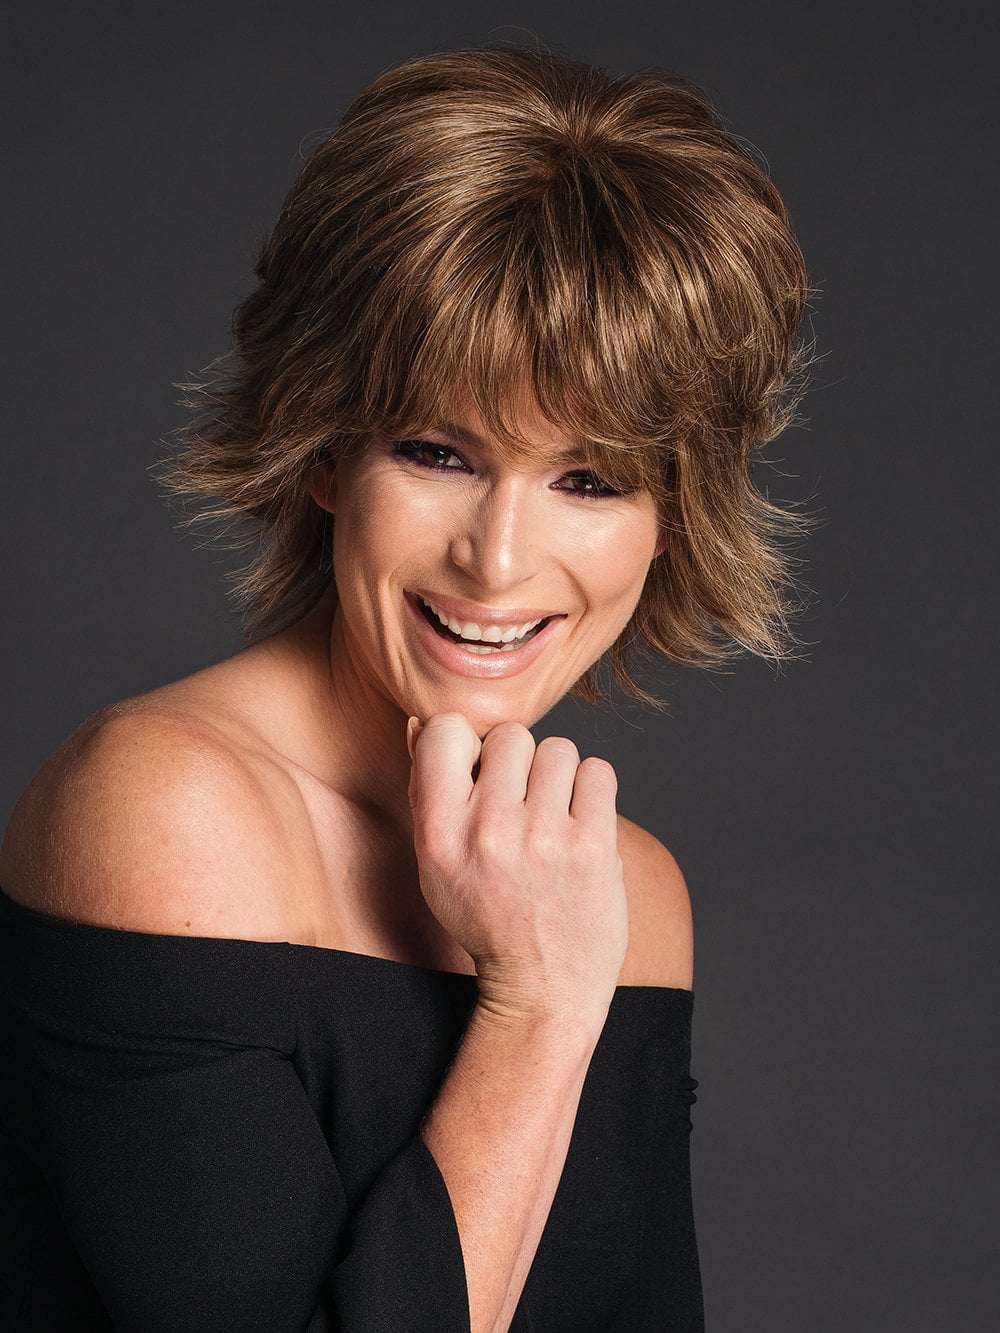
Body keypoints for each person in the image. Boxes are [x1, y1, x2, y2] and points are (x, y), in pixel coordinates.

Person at [0, 43, 811, 1332]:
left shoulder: (624, 890)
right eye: (438, 452)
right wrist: (540, 1005)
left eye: (590, 480)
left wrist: (564, 966)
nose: (498, 558)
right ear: (325, 452)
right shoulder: (165, 810)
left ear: (673, 520)